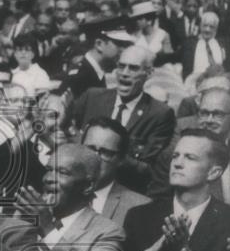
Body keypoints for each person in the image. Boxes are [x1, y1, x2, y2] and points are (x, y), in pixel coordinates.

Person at [5, 143, 126, 251]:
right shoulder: (27, 218)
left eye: (63, 172)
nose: (48, 179)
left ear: (88, 186)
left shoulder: (108, 232)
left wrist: (48, 229)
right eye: (49, 170)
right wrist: (15, 224)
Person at [73, 45, 175, 193]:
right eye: (121, 66)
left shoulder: (159, 113)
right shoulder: (92, 97)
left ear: (149, 72)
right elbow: (70, 132)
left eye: (133, 68)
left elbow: (149, 169)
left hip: (121, 192)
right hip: (80, 186)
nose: (124, 73)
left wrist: (111, 153)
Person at [81, 118, 150, 227]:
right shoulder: (54, 192)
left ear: (121, 160)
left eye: (105, 153)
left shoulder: (140, 207)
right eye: (90, 148)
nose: (94, 157)